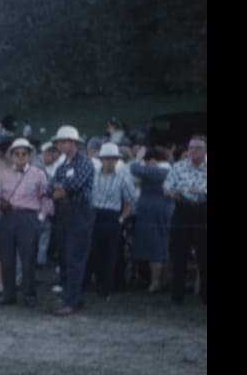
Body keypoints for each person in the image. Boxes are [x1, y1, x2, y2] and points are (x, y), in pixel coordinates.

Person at [0, 138, 52, 307]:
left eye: (24, 154)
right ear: (11, 156)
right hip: (8, 217)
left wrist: (40, 217)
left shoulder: (38, 174)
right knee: (7, 258)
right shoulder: (4, 175)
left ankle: (29, 294)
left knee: (28, 258)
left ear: (30, 156)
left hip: (28, 217)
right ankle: (9, 294)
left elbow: (46, 198)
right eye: (17, 153)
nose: (20, 157)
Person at [49, 125, 96, 316]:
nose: (60, 145)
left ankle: (72, 300)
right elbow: (49, 187)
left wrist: (60, 189)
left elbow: (74, 185)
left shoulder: (84, 162)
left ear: (73, 143)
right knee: (64, 256)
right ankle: (72, 297)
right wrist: (60, 190)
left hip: (79, 211)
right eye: (59, 142)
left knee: (74, 256)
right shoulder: (62, 165)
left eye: (63, 141)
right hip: (64, 211)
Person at [87, 142, 137, 301]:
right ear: (101, 160)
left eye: (113, 159)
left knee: (111, 255)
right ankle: (94, 284)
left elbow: (130, 202)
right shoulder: (92, 175)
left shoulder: (123, 178)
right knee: (94, 253)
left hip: (112, 217)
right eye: (107, 159)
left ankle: (105, 289)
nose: (109, 162)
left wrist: (121, 219)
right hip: (95, 215)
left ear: (117, 160)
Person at [163, 136, 207, 305]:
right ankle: (177, 295)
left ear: (205, 150)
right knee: (178, 253)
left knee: (204, 255)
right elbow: (166, 187)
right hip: (182, 209)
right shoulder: (178, 167)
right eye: (191, 148)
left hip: (203, 211)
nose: (193, 151)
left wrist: (202, 192)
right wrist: (171, 193)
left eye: (198, 148)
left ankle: (205, 295)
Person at [130, 148, 173, 293]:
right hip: (158, 210)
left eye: (147, 162)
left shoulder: (159, 171)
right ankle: (163, 280)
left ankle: (156, 283)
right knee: (160, 245)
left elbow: (134, 168)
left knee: (156, 247)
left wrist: (138, 158)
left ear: (153, 160)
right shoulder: (165, 170)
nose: (146, 164)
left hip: (154, 211)